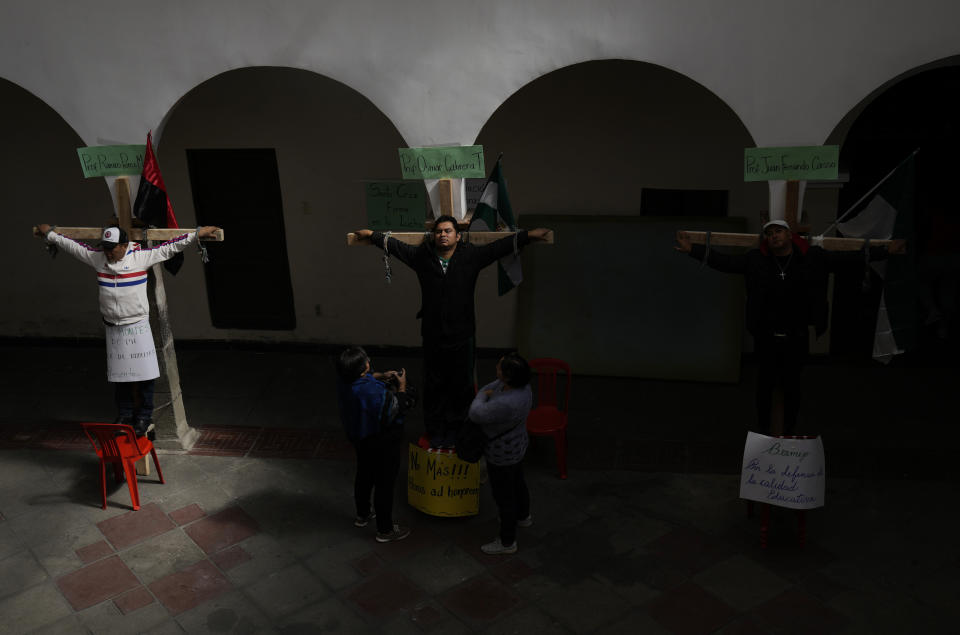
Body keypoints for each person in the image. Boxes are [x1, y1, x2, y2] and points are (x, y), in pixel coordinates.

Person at [675, 220, 906, 435]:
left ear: (789, 234)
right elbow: (725, 262)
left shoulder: (811, 257)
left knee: (792, 388)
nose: (774, 236)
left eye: (778, 231)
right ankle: (765, 434)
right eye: (769, 233)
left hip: (796, 335)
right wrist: (692, 250)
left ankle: (788, 434)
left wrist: (886, 251)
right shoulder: (756, 259)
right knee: (764, 387)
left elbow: (847, 259)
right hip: (766, 335)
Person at [353, 216, 551, 449]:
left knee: (461, 386)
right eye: (438, 231)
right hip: (433, 336)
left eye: (448, 231)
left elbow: (500, 247)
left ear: (458, 236)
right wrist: (372, 235)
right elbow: (397, 247)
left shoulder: (471, 257)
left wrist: (528, 235)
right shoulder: (422, 258)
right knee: (434, 385)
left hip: (463, 336)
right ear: (433, 235)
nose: (443, 234)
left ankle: (459, 429)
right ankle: (436, 430)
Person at [35, 223, 221, 435]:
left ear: (124, 245)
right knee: (120, 377)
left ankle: (144, 418)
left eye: (112, 248)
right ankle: (124, 416)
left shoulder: (141, 258)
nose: (107, 252)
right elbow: (72, 246)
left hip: (137, 327)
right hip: (113, 328)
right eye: (105, 247)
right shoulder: (98, 258)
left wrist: (197, 234)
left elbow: (170, 247)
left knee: (145, 376)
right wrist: (50, 233)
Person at [335, 346, 414, 543]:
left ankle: (363, 515)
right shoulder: (371, 392)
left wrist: (381, 376)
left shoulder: (344, 381)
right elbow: (395, 409)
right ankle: (385, 530)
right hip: (382, 442)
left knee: (364, 474)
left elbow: (363, 378)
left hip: (361, 440)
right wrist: (402, 387)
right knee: (384, 484)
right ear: (365, 367)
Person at [467, 352, 533, 555]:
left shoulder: (506, 403)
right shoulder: (524, 388)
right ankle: (524, 517)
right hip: (517, 447)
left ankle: (507, 541)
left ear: (508, 377)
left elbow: (476, 413)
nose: (496, 369)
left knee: (504, 497)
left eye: (499, 368)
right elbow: (494, 385)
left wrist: (481, 396)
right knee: (518, 483)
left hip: (501, 455)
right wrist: (490, 390)